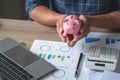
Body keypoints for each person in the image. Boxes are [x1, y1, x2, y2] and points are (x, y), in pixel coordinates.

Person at [25, 0, 120, 47]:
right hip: (54, 32)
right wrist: (59, 19)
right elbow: (33, 7)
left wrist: (91, 20)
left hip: (106, 30)